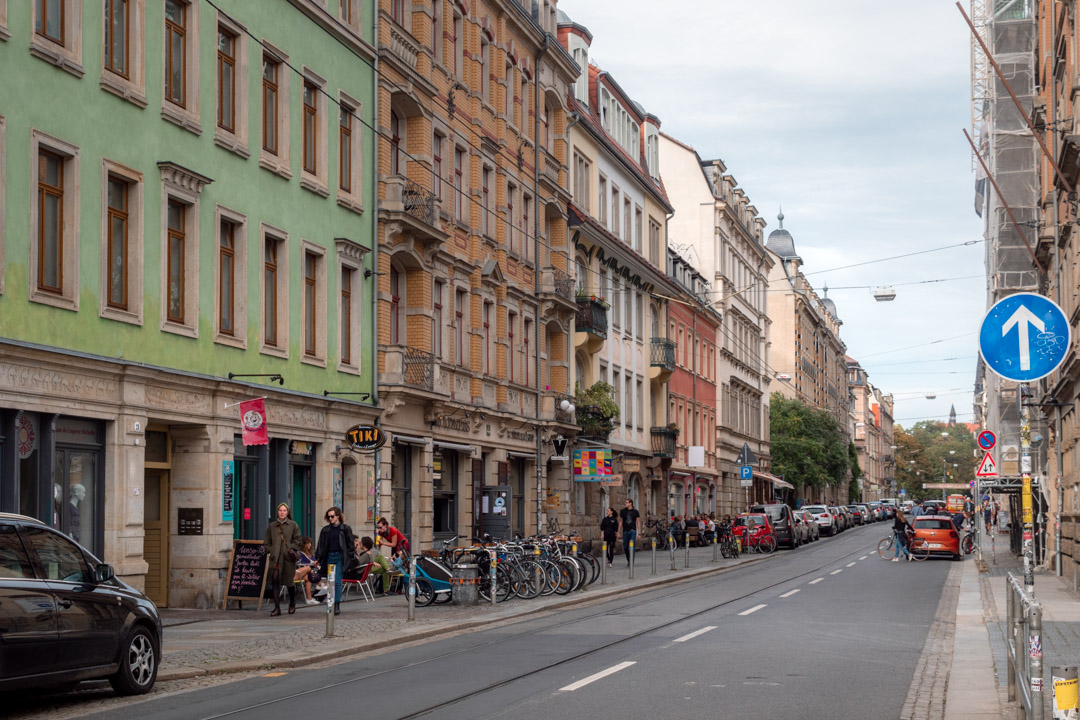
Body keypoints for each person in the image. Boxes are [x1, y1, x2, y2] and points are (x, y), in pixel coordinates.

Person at [315, 506, 356, 615]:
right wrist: (318, 558)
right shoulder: (325, 530)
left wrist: (350, 560)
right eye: (328, 517)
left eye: (332, 516)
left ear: (338, 516)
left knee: (337, 581)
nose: (330, 519)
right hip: (329, 557)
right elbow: (321, 545)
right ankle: (331, 603)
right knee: (330, 582)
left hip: (340, 557)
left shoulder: (345, 529)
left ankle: (337, 603)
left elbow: (350, 545)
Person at [264, 502, 302, 616]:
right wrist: (272, 550)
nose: (282, 512)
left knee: (289, 583)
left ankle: (292, 602)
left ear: (287, 512)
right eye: (280, 510)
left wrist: (289, 548)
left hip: (287, 559)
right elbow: (266, 542)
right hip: (275, 559)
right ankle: (277, 608)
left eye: (284, 510)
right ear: (277, 512)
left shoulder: (293, 525)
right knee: (275, 581)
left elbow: (298, 541)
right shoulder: (272, 526)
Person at [294, 537, 321, 604]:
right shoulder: (300, 554)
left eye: (310, 543)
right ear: (304, 544)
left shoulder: (311, 554)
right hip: (292, 574)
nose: (310, 545)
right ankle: (319, 583)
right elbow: (299, 564)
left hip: (301, 574)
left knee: (309, 578)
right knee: (308, 568)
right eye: (308, 543)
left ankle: (309, 599)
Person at [619, 498, 640, 566]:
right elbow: (621, 522)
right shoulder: (622, 511)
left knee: (632, 546)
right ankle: (628, 559)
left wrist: (639, 533)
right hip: (625, 531)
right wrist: (618, 531)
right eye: (625, 502)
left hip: (632, 531)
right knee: (625, 546)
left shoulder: (635, 512)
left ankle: (631, 561)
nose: (625, 504)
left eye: (627, 502)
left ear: (630, 503)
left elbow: (638, 522)